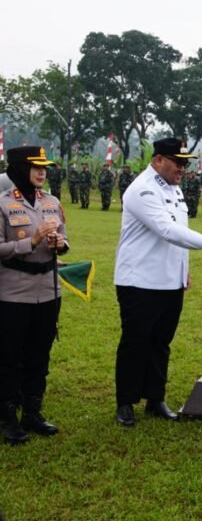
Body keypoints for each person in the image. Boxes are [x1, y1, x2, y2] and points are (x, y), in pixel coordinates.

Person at [113, 138, 202, 427]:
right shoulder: (143, 189)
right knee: (135, 342)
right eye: (177, 161)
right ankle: (126, 403)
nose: (182, 168)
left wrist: (183, 269)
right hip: (140, 280)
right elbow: (167, 230)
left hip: (169, 280)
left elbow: (180, 232)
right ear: (158, 160)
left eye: (185, 163)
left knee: (161, 342)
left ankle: (155, 398)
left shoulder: (173, 188)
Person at [0, 146, 69, 445]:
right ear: (18, 169)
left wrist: (59, 243)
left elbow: (66, 239)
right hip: (13, 293)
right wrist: (33, 240)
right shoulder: (2, 204)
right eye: (35, 166)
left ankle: (32, 412)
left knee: (39, 356)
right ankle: (7, 418)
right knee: (10, 358)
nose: (42, 172)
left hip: (48, 291)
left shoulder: (51, 201)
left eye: (45, 167)